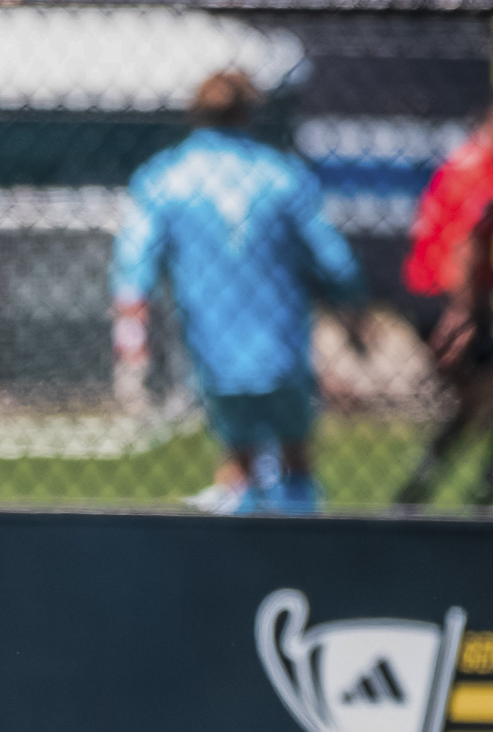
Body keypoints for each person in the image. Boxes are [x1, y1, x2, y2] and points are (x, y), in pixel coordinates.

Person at [111, 70, 367, 515]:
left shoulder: (167, 178)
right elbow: (334, 259)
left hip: (213, 347)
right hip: (282, 343)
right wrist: (352, 313)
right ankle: (303, 548)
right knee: (296, 459)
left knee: (237, 463)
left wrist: (132, 337)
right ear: (249, 113)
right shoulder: (280, 175)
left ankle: (240, 545)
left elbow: (135, 264)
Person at [394, 103, 493, 509]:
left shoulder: (459, 164)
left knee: (472, 403)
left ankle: (415, 493)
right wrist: (463, 312)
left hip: (426, 294)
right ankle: (484, 497)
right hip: (452, 300)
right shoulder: (482, 174)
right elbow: (465, 244)